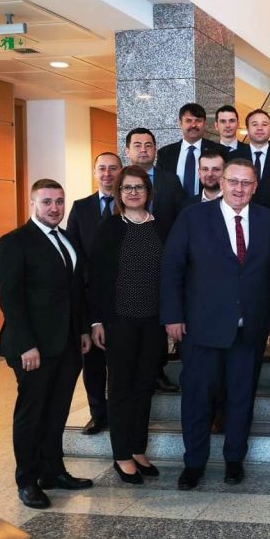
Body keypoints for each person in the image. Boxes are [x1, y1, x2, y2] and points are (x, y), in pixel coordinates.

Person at [161, 158, 270, 490]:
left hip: (250, 328)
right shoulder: (193, 217)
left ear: (255, 187)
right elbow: (172, 268)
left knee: (241, 397)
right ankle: (194, 463)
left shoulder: (269, 221)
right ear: (222, 182)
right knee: (197, 398)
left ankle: (234, 460)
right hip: (201, 328)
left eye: (246, 183)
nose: (239, 188)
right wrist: (173, 316)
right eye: (233, 181)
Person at [0, 179, 92, 509]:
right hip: (33, 347)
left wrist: (82, 331)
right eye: (47, 202)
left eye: (59, 201)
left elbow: (74, 292)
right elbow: (10, 299)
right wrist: (26, 345)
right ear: (33, 203)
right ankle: (27, 480)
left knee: (57, 410)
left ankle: (53, 471)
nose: (54, 208)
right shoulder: (14, 242)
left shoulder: (66, 239)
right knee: (31, 413)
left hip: (66, 343)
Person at [89, 166, 164, 485]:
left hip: (153, 322)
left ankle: (137, 448)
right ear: (119, 193)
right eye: (127, 188)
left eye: (139, 187)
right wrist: (96, 320)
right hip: (119, 321)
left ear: (148, 191)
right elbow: (96, 278)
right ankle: (121, 454)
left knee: (145, 386)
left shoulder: (160, 226)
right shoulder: (109, 228)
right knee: (121, 387)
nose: (133, 193)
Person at [124, 127, 184, 394]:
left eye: (148, 145)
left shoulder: (170, 181)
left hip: (162, 260)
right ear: (127, 150)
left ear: (155, 150)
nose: (143, 150)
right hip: (128, 264)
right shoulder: (120, 180)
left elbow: (179, 219)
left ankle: (157, 371)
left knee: (157, 320)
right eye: (137, 145)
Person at [66, 151, 122, 435]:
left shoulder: (132, 205)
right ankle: (98, 413)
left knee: (122, 360)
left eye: (113, 168)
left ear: (121, 171)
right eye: (102, 168)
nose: (107, 174)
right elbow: (73, 253)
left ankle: (121, 413)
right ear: (94, 172)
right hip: (90, 296)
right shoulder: (81, 207)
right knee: (94, 361)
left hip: (125, 297)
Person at [230, 109, 270, 220]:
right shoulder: (233, 157)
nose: (259, 128)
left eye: (264, 124)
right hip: (239, 219)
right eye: (255, 124)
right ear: (247, 129)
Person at [157, 102, 224, 200]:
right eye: (188, 121)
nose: (193, 125)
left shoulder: (218, 150)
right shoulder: (165, 153)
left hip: (207, 205)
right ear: (180, 123)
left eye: (198, 120)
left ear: (204, 123)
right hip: (173, 208)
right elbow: (160, 186)